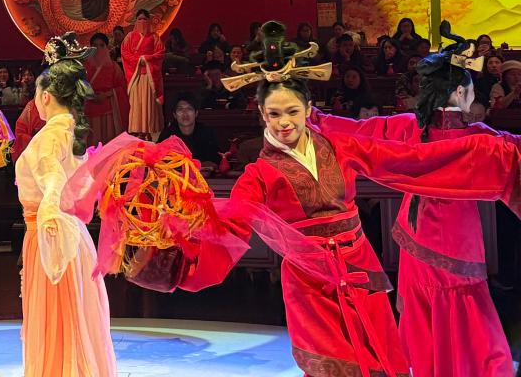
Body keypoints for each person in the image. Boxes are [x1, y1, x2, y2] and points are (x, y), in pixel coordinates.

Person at [145, 21, 521, 377]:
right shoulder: (260, 172)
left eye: (292, 111)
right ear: (261, 114)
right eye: (274, 114)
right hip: (311, 283)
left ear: (308, 110)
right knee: (332, 365)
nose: (284, 122)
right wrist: (174, 245)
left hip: (360, 274)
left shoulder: (340, 146)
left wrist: (499, 154)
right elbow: (235, 219)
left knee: (378, 362)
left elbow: (408, 160)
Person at [313, 22, 519, 377]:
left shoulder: (409, 127)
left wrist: (315, 118)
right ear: (459, 92)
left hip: (415, 239)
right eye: (470, 90)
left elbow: (358, 132)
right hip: (457, 240)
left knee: (423, 313)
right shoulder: (479, 141)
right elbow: (513, 154)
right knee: (463, 307)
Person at [15, 32, 115, 376]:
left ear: (45, 96)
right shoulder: (71, 130)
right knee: (72, 322)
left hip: (53, 236)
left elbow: (53, 186)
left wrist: (49, 229)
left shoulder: (50, 136)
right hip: (71, 234)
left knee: (58, 324)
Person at [121, 9, 166, 139]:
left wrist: (146, 59)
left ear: (149, 21)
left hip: (149, 76)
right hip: (136, 76)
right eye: (139, 19)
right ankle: (138, 131)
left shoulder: (154, 37)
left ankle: (149, 131)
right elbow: (125, 53)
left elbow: (160, 54)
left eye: (144, 19)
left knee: (149, 104)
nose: (142, 21)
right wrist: (137, 60)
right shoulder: (130, 37)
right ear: (136, 21)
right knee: (137, 104)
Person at [85, 33, 130, 146]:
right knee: (91, 144)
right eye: (95, 45)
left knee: (108, 143)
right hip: (89, 109)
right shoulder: (84, 67)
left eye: (101, 45)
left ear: (107, 47)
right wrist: (90, 95)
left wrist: (106, 95)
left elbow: (122, 87)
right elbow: (78, 86)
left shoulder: (114, 67)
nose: (98, 49)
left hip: (108, 109)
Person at [158, 92, 221, 170]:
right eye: (180, 109)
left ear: (196, 113)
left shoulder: (207, 132)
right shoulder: (167, 134)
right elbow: (160, 162)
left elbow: (215, 161)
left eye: (189, 109)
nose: (185, 114)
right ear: (174, 115)